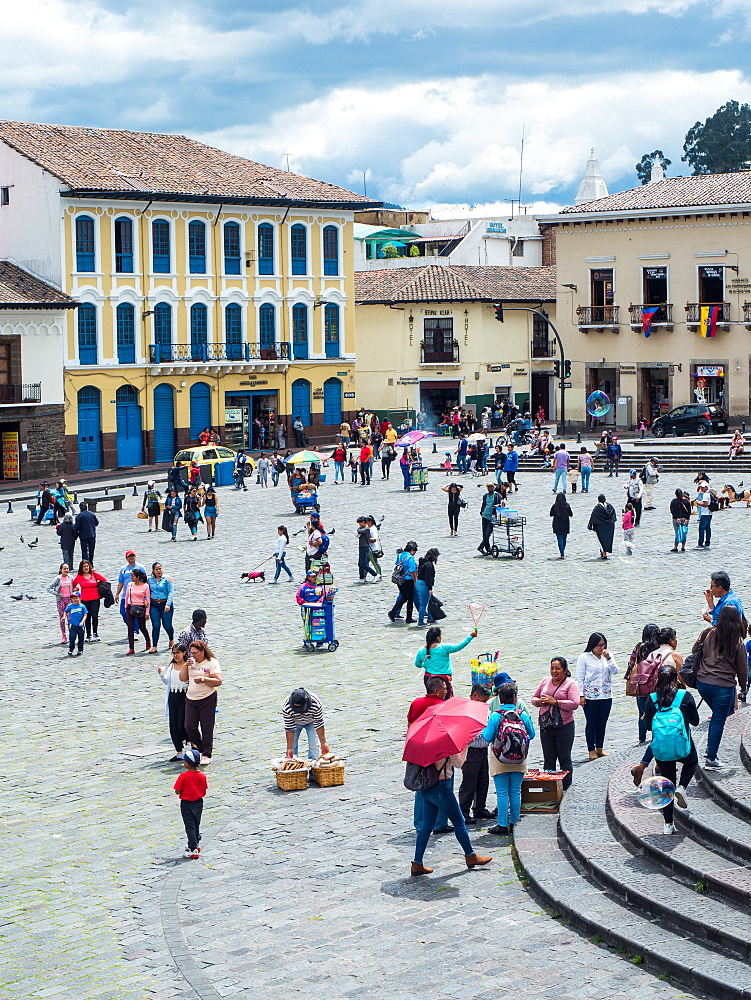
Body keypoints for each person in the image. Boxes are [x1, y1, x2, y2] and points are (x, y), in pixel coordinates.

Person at [411, 747, 492, 877]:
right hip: (442, 786)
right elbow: (459, 763)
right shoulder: (444, 742)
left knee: (427, 826)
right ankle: (470, 856)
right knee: (459, 821)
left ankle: (417, 863)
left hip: (427, 786)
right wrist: (465, 746)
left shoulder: (425, 743)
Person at [643, 664, 700, 834]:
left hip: (661, 749)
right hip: (683, 745)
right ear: (676, 679)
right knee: (692, 762)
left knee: (667, 786)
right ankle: (682, 787)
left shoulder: (652, 699)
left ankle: (668, 825)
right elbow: (696, 722)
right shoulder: (685, 695)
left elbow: (647, 726)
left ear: (658, 679)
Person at [480, 680, 536, 836]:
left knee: (502, 792)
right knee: (516, 792)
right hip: (519, 759)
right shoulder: (522, 715)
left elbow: (487, 737)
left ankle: (503, 824)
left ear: (499, 699)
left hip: (499, 759)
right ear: (515, 697)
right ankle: (515, 822)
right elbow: (531, 734)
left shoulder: (495, 717)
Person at [630, 625, 684, 785]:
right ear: (671, 640)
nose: (676, 641)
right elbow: (681, 679)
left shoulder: (652, 653)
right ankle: (655, 763)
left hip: (651, 699)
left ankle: (646, 765)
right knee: (672, 731)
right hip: (670, 699)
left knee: (658, 732)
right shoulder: (674, 656)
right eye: (675, 638)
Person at [695, 605, 747, 768]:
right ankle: (711, 758)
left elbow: (694, 650)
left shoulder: (708, 633)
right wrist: (743, 687)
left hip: (702, 682)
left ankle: (710, 749)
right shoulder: (737, 641)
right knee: (718, 719)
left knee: (717, 715)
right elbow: (742, 667)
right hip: (723, 686)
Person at [531, 657, 581, 790]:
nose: (554, 671)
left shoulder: (571, 684)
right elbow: (533, 699)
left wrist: (556, 702)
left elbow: (574, 704)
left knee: (564, 758)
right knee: (548, 759)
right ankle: (549, 789)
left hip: (564, 726)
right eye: (552, 668)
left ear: (565, 670)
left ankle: (566, 787)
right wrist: (540, 702)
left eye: (557, 668)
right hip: (546, 725)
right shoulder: (545, 681)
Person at [576, 632, 619, 759]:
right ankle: (591, 749)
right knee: (591, 723)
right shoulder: (584, 657)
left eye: (603, 645)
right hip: (590, 696)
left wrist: (609, 659)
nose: (601, 648)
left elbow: (615, 671)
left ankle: (600, 747)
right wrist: (581, 695)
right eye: (599, 645)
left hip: (605, 695)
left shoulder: (608, 656)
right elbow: (580, 677)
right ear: (592, 646)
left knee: (602, 722)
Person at [179, 640, 222, 765]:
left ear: (202, 651)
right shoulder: (190, 662)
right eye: (191, 653)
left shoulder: (211, 663)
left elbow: (218, 681)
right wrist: (185, 666)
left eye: (195, 653)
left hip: (207, 698)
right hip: (191, 698)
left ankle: (207, 753)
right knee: (189, 726)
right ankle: (200, 748)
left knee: (206, 727)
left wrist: (203, 679)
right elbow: (182, 678)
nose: (193, 656)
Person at [458, 685, 493, 824]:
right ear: (475, 695)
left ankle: (479, 807)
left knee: (483, 780)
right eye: (483, 700)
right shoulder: (466, 709)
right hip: (471, 750)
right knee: (469, 782)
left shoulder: (483, 707)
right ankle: (464, 811)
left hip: (483, 748)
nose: (484, 704)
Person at [414, 625, 476, 698]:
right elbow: (459, 646)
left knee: (432, 699)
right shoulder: (443, 648)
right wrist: (471, 636)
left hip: (428, 679)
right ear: (438, 637)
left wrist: (425, 664)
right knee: (446, 702)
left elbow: (417, 664)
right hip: (442, 680)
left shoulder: (421, 650)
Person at [173, 747, 207, 859]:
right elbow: (204, 788)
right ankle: (196, 842)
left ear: (188, 764)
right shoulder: (202, 775)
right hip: (198, 802)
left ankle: (192, 848)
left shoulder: (183, 776)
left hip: (187, 804)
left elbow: (177, 790)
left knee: (189, 826)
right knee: (196, 823)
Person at [159, 642, 190, 760]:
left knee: (182, 724)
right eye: (173, 653)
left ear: (184, 653)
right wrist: (161, 674)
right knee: (173, 725)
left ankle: (193, 743)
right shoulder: (171, 666)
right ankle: (179, 751)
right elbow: (168, 681)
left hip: (184, 696)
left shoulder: (188, 665)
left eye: (177, 653)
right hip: (173, 696)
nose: (175, 656)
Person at [283, 688, 330, 759]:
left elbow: (319, 723)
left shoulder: (316, 703)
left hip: (311, 722)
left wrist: (323, 743)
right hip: (295, 723)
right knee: (292, 749)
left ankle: (313, 764)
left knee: (314, 746)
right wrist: (289, 748)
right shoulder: (287, 707)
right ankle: (294, 764)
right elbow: (289, 728)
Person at [72, 559, 107, 642]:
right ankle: (88, 634)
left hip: (95, 598)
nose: (86, 568)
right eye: (84, 567)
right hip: (85, 599)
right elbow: (73, 585)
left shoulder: (94, 574)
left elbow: (105, 580)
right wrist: (76, 589)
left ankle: (95, 632)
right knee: (87, 617)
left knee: (95, 616)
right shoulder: (79, 577)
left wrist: (100, 587)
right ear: (81, 568)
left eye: (87, 566)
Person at [115, 550, 147, 635]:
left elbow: (145, 581)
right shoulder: (123, 569)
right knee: (123, 612)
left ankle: (135, 629)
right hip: (126, 595)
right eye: (129, 556)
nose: (131, 557)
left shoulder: (140, 567)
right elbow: (121, 582)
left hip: (137, 595)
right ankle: (133, 627)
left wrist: (145, 596)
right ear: (126, 558)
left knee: (136, 612)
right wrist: (117, 594)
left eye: (133, 556)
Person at [389, 541, 418, 624]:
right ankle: (409, 617)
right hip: (408, 580)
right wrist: (415, 581)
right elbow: (413, 571)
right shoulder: (410, 558)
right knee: (410, 599)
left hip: (399, 579)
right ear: (412, 550)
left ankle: (393, 612)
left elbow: (397, 564)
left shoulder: (400, 555)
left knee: (404, 597)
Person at [148, 561, 174, 654]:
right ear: (153, 571)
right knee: (155, 625)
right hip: (154, 604)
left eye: (160, 568)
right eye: (156, 569)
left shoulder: (167, 579)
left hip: (165, 604)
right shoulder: (149, 580)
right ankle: (154, 646)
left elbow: (171, 592)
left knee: (167, 625)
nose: (159, 571)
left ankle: (171, 638)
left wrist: (168, 604)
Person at [124, 567, 151, 654]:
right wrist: (126, 606)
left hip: (140, 608)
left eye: (133, 576)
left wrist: (147, 612)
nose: (131, 578)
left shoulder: (145, 586)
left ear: (138, 577)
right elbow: (127, 596)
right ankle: (131, 648)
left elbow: (148, 600)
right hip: (130, 607)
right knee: (130, 628)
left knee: (142, 626)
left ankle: (148, 640)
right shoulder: (130, 585)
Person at [48, 563, 76, 645]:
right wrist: (56, 593)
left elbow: (73, 587)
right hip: (61, 600)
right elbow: (49, 588)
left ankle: (71, 634)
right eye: (64, 569)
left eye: (67, 568)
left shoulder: (70, 578)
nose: (66, 570)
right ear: (61, 570)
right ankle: (64, 636)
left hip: (69, 600)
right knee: (62, 618)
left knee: (70, 618)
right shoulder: (58, 578)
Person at [415, 548, 440, 627]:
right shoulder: (428, 565)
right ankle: (421, 621)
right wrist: (430, 588)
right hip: (424, 584)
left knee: (428, 601)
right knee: (423, 604)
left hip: (419, 582)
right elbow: (428, 577)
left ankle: (430, 617)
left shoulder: (422, 562)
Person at [587, 494, 617, 560]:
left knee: (601, 540)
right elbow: (614, 516)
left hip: (600, 526)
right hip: (609, 526)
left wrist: (590, 524)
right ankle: (604, 552)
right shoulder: (610, 507)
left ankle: (603, 553)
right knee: (607, 540)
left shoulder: (597, 508)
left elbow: (593, 516)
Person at [550, 492, 573, 559]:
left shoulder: (555, 506)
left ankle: (562, 553)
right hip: (565, 524)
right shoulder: (567, 505)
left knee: (559, 539)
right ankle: (563, 552)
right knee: (564, 539)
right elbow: (571, 514)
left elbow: (551, 514)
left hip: (557, 524)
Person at [64, 592, 88, 656]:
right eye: (73, 598)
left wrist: (82, 622)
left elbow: (85, 615)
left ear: (80, 598)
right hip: (72, 625)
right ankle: (71, 648)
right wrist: (64, 617)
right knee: (72, 637)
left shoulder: (82, 606)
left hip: (80, 626)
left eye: (76, 598)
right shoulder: (70, 606)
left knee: (81, 638)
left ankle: (80, 649)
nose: (75, 600)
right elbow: (65, 611)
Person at [355, 516, 377, 583]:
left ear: (364, 522)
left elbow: (359, 531)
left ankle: (375, 574)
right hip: (361, 548)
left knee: (364, 564)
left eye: (361, 523)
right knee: (360, 564)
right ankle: (361, 578)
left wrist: (359, 529)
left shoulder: (367, 529)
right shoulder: (363, 529)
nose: (360, 525)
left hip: (365, 548)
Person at [670, 488, 691, 552]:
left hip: (676, 519)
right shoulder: (686, 501)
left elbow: (672, 511)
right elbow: (689, 511)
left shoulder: (673, 501)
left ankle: (675, 546)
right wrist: (687, 518)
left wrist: (676, 518)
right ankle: (683, 546)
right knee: (684, 532)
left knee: (677, 533)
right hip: (685, 518)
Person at [478, 483, 496, 556]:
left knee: (488, 533)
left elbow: (501, 503)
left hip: (492, 516)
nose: (490, 488)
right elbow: (484, 504)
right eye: (488, 487)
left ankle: (481, 547)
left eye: (491, 487)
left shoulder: (497, 495)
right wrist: (482, 511)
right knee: (485, 533)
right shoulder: (485, 496)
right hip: (485, 515)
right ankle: (487, 548)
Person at [696, 480, 713, 548]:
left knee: (701, 529)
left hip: (705, 514)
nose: (701, 489)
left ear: (706, 487)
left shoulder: (705, 494)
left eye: (702, 487)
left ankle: (700, 544)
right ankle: (707, 542)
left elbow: (705, 504)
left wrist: (698, 503)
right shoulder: (710, 493)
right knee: (708, 528)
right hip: (709, 513)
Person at [366, 515, 382, 581]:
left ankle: (379, 575)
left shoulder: (373, 529)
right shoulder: (369, 528)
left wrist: (365, 539)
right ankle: (363, 576)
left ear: (370, 522)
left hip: (373, 549)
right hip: (368, 549)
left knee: (375, 563)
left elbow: (374, 539)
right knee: (364, 564)